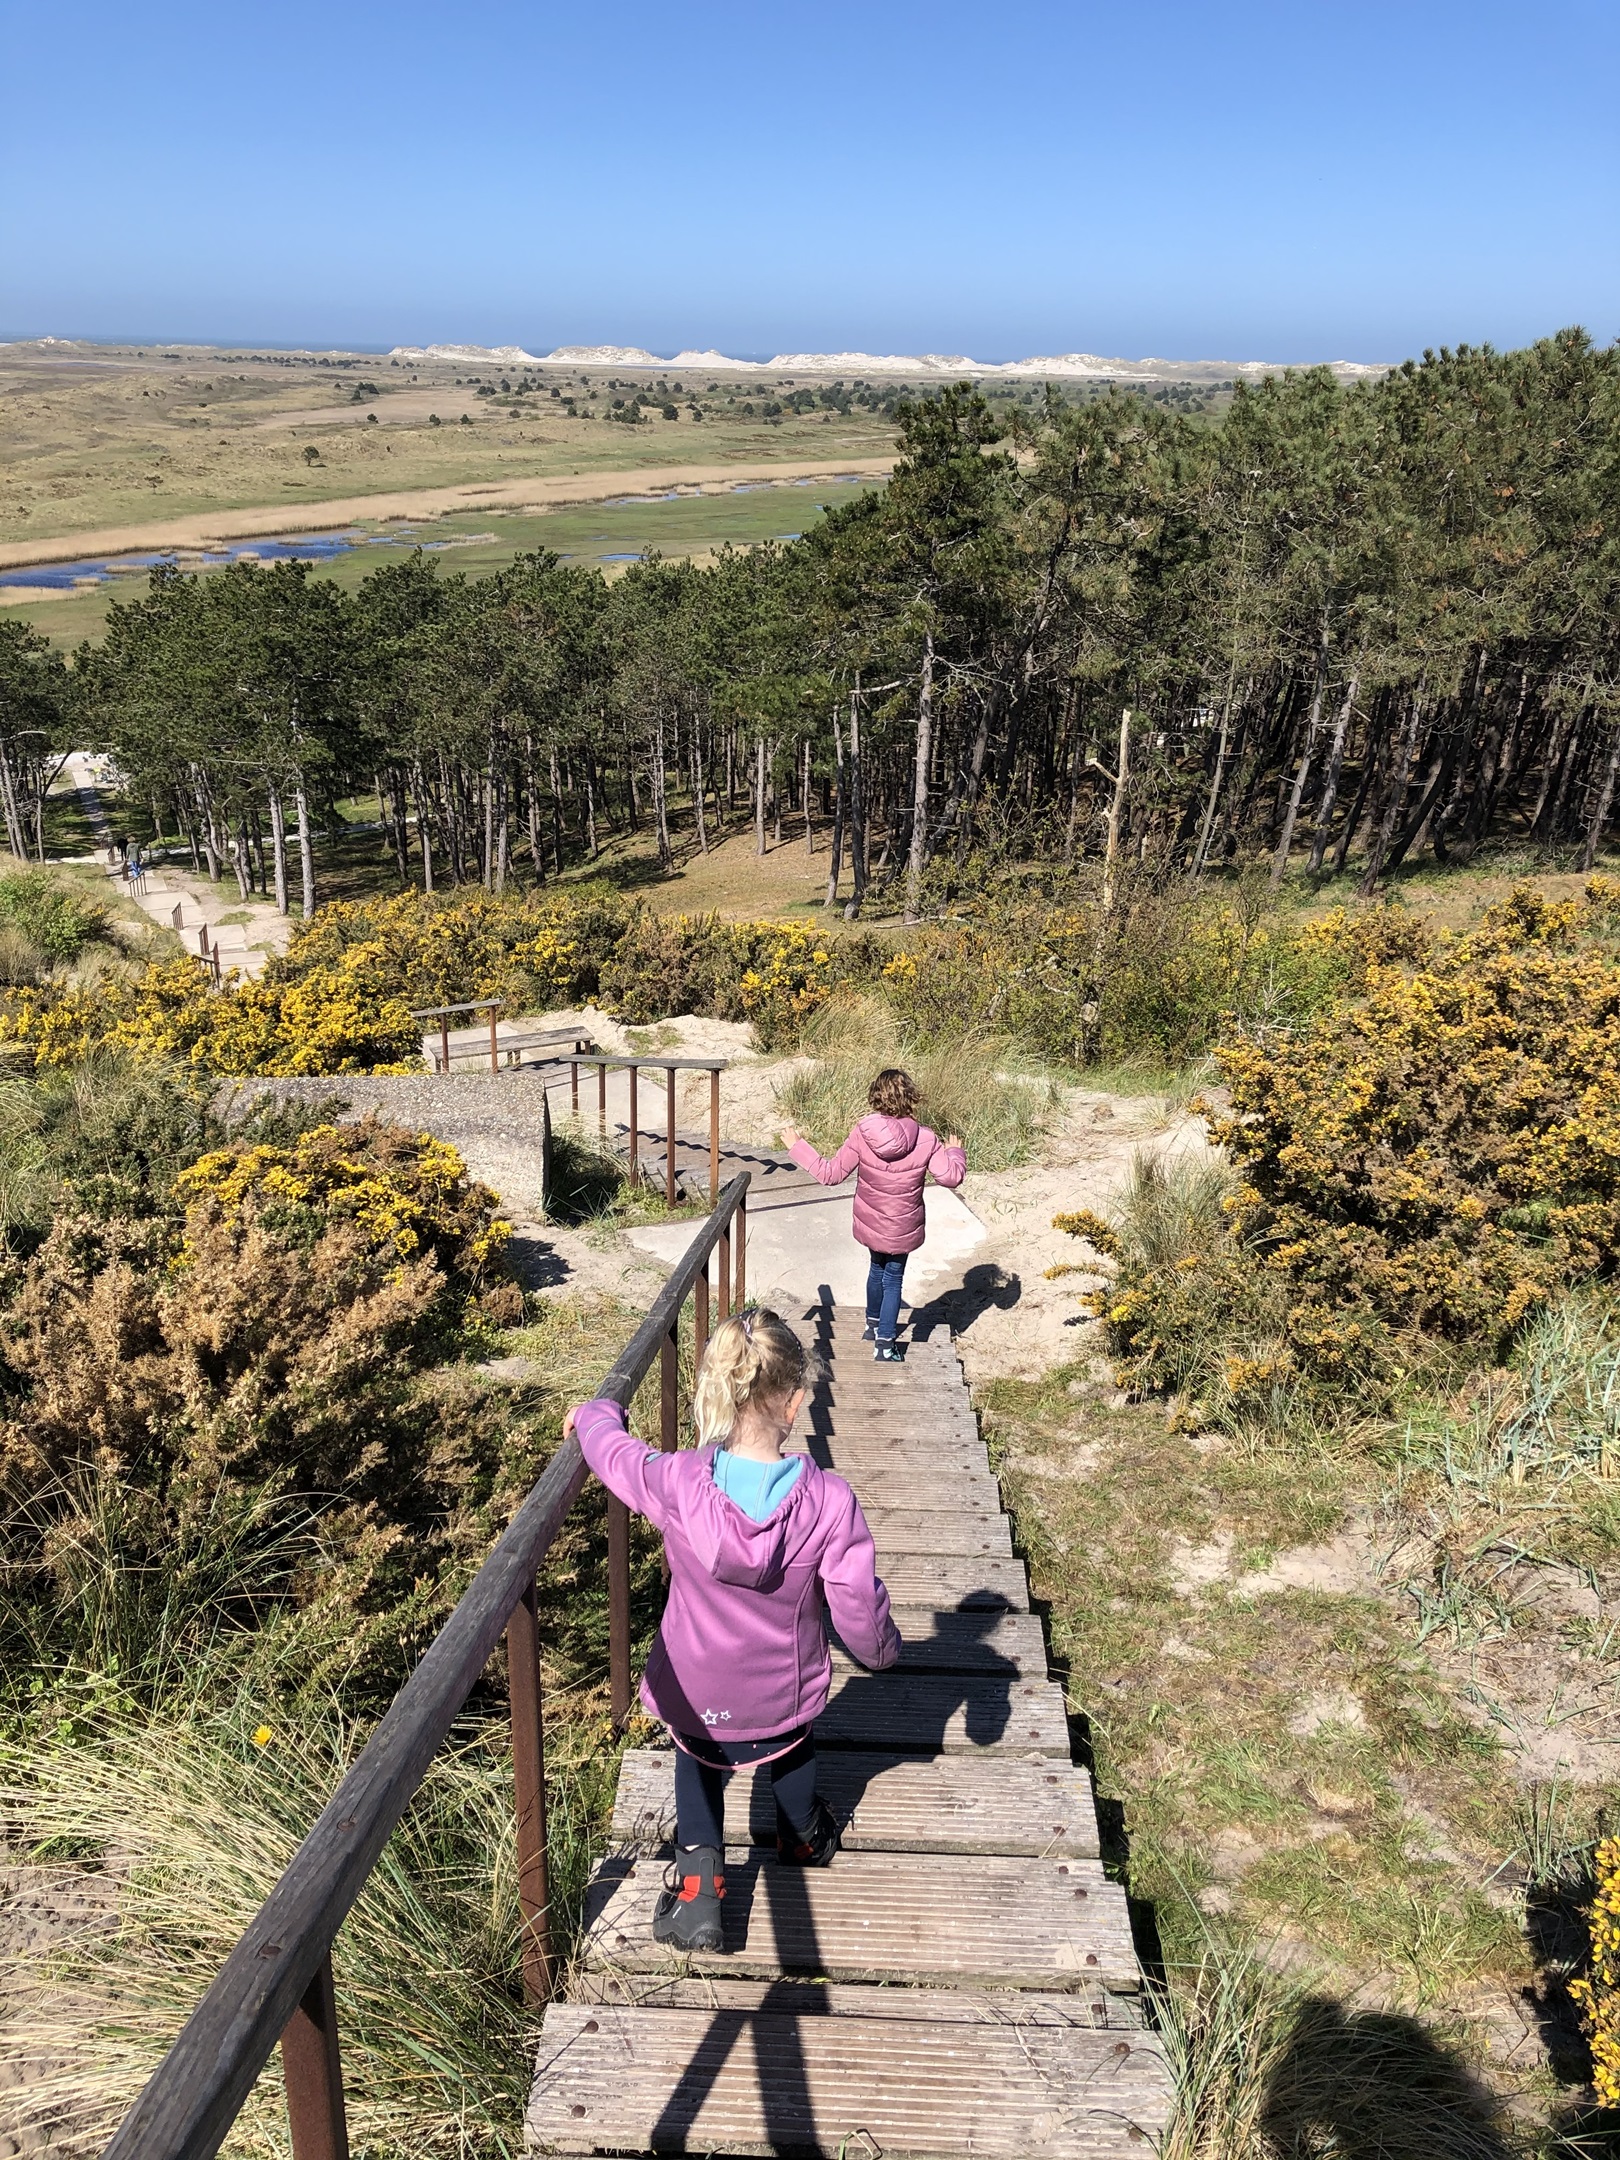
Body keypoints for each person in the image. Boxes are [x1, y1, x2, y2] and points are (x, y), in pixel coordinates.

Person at [566, 1307, 900, 1953]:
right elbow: (856, 1602)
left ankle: (698, 1890)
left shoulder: (678, 1482)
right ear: (797, 1401)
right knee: (790, 1744)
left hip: (694, 1681)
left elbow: (616, 1455)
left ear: (719, 1388)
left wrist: (594, 1415)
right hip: (781, 1683)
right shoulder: (830, 1502)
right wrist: (880, 1654)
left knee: (695, 1762)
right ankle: (802, 1833)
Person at [779, 1068, 966, 1361]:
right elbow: (951, 1177)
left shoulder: (863, 1132)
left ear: (876, 1097)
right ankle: (885, 1345)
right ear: (911, 1098)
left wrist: (797, 1147)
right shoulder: (927, 1139)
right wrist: (955, 1152)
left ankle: (872, 1325)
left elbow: (831, 1174)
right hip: (903, 1225)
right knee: (893, 1279)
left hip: (871, 1221)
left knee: (876, 1269)